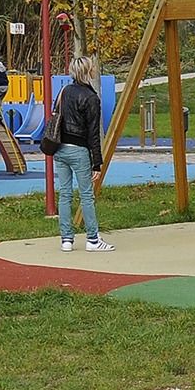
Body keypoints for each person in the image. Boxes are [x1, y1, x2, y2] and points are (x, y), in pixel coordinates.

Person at [55, 55, 113, 253]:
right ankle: (93, 239)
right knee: (86, 195)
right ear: (90, 72)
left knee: (65, 194)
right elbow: (93, 134)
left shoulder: (64, 91)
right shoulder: (91, 98)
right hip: (79, 150)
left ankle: (66, 240)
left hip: (60, 148)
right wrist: (97, 163)